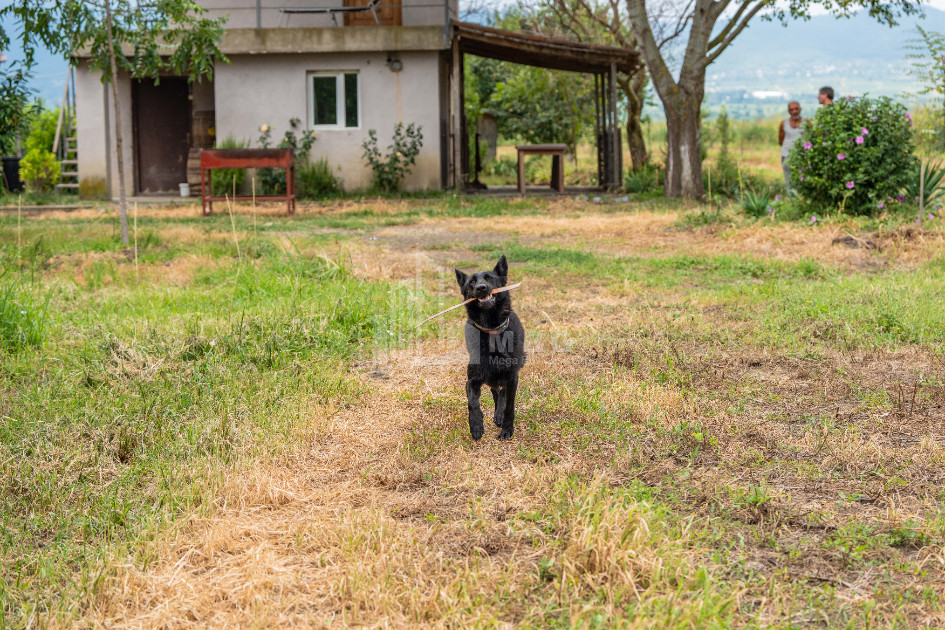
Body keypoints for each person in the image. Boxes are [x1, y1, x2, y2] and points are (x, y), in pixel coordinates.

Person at [779, 101, 804, 191]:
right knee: (789, 180)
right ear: (789, 111)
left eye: (796, 109)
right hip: (786, 155)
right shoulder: (783, 124)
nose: (794, 111)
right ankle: (791, 200)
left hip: (802, 156)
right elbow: (781, 141)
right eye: (792, 110)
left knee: (801, 179)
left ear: (800, 109)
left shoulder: (806, 123)